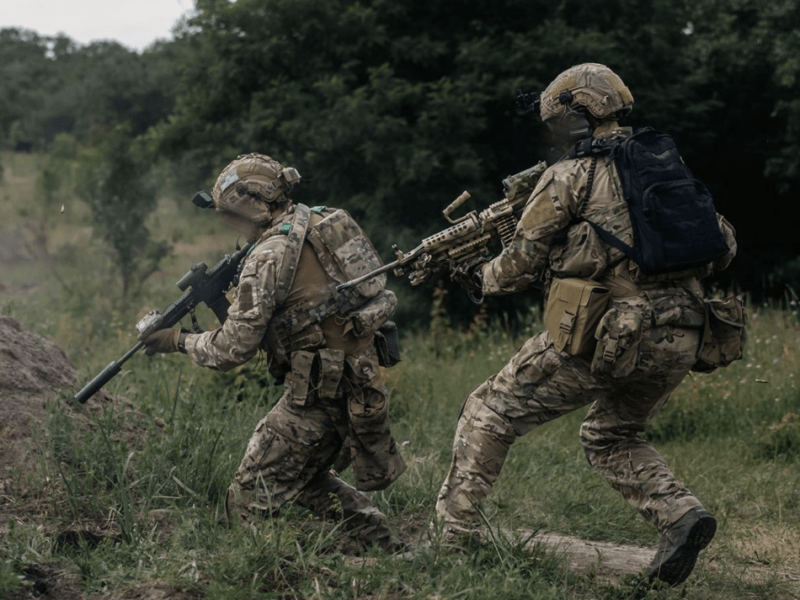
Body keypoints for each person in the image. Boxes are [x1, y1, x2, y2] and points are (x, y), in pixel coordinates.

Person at [435, 63, 739, 586]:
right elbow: (725, 246)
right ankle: (680, 516)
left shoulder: (572, 174)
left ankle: (449, 543)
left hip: (613, 334)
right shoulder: (668, 165)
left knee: (489, 410)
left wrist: (479, 278)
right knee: (610, 434)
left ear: (578, 114)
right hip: (688, 333)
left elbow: (521, 263)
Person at [143, 153, 406, 552]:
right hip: (359, 381)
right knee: (304, 477)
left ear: (250, 203)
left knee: (250, 492)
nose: (229, 223)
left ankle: (260, 572)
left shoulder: (267, 256)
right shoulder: (326, 220)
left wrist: (176, 340)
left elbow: (232, 349)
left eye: (230, 214)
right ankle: (384, 544)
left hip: (317, 397)